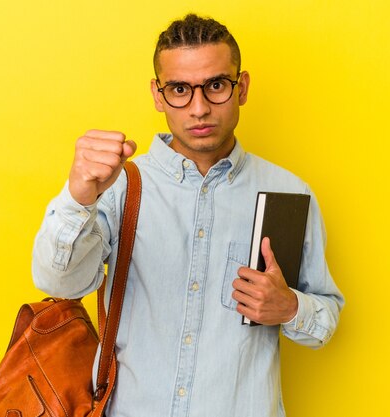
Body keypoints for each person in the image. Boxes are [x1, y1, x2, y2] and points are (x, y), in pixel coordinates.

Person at [32, 13, 344, 417]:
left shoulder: (287, 194)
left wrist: (290, 308)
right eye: (180, 89)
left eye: (216, 85)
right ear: (158, 95)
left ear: (242, 87)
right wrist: (78, 197)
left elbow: (326, 317)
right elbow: (60, 283)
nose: (198, 108)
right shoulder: (118, 186)